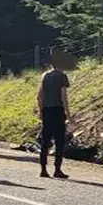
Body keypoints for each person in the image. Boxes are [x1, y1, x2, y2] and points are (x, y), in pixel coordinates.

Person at [37, 49, 72, 179]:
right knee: (59, 141)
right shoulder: (62, 77)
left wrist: (41, 111)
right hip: (58, 110)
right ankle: (57, 169)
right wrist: (68, 114)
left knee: (45, 141)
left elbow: (39, 96)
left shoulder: (45, 76)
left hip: (47, 110)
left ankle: (43, 169)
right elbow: (63, 96)